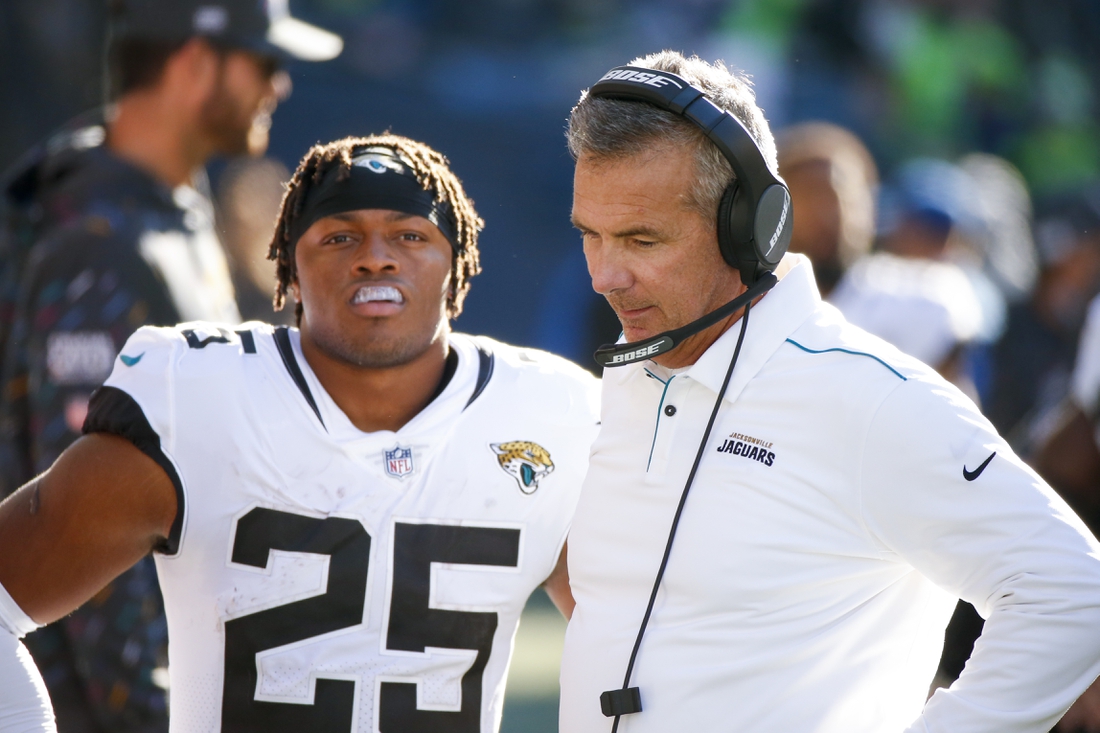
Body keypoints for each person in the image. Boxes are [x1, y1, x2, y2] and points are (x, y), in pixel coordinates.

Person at [557, 50, 1100, 732]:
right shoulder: (627, 381)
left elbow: (1073, 592)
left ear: (750, 228)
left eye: (641, 240)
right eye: (591, 235)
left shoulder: (871, 398)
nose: (604, 275)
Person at [0, 133, 599, 732]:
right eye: (340, 237)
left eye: (410, 235)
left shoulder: (552, 413)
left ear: (457, 260)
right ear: (290, 265)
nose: (376, 258)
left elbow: (637, 641)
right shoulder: (198, 397)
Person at [0, 3, 342, 730]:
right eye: (263, 61)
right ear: (193, 64)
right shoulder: (99, 237)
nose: (279, 85)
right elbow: (86, 527)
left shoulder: (160, 206)